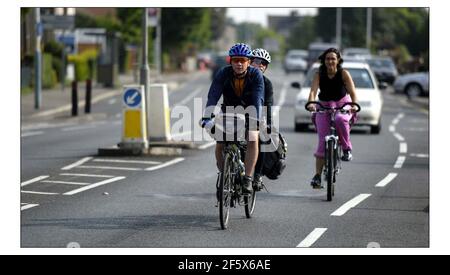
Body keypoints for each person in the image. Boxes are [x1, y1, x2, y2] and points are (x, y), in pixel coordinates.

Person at [201, 43, 265, 195]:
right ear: (231, 61)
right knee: (220, 142)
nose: (239, 63)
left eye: (243, 60)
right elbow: (213, 95)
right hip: (228, 112)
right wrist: (206, 117)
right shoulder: (223, 73)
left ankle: (248, 178)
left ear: (249, 62)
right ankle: (225, 175)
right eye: (236, 60)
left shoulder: (256, 75)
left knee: (253, 138)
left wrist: (255, 120)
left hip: (250, 111)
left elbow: (257, 100)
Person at [306, 48, 358, 189]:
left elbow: (353, 92)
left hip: (342, 104)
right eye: (327, 58)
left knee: (341, 119)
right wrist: (311, 103)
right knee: (322, 141)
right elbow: (313, 91)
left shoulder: (343, 73)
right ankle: (317, 176)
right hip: (324, 106)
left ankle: (347, 149)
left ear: (338, 60)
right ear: (324, 60)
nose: (330, 61)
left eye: (333, 58)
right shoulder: (319, 74)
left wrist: (353, 105)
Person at [250, 48, 274, 191]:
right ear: (249, 62)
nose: (260, 65)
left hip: (258, 116)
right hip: (238, 114)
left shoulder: (267, 84)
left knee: (263, 138)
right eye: (256, 61)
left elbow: (268, 106)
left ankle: (257, 175)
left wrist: (268, 124)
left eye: (263, 63)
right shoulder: (241, 77)